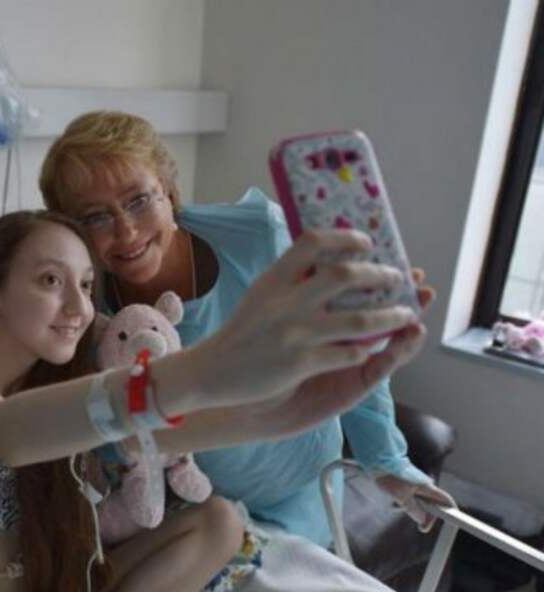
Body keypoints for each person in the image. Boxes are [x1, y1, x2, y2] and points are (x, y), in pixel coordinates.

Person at [0, 209, 424, 592]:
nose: (78, 308)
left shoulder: (67, 380)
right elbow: (3, 432)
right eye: (51, 280)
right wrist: (204, 369)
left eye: (87, 285)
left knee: (220, 520)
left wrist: (289, 412)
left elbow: (161, 434)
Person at [39, 110, 454, 548]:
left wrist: (387, 462)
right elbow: (107, 430)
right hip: (192, 510)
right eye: (95, 217)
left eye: (139, 200)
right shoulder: (82, 308)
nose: (125, 231)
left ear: (169, 191)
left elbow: (349, 343)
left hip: (297, 490)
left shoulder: (261, 239)